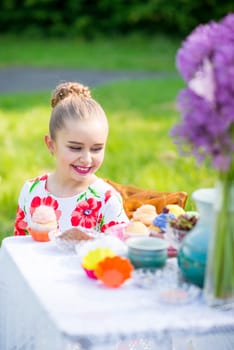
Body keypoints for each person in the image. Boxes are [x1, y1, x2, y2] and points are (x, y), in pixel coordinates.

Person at [14, 81, 129, 236]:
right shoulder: (31, 191)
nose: (87, 159)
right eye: (75, 148)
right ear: (51, 145)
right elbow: (18, 248)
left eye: (97, 148)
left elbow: (120, 250)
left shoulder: (106, 199)